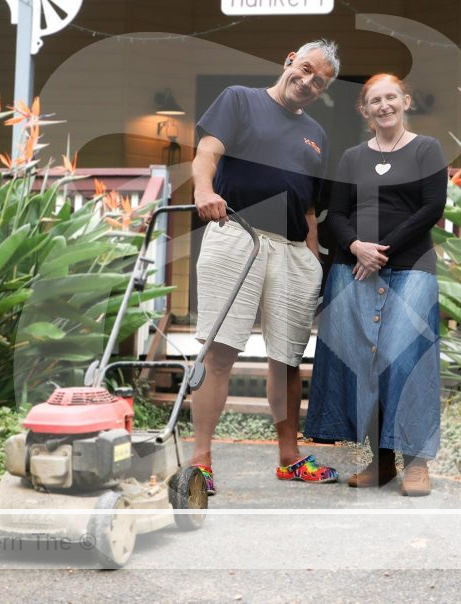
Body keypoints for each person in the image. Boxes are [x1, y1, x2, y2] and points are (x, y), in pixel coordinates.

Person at [190, 39, 342, 494]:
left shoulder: (317, 132)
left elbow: (312, 207)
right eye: (307, 69)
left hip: (294, 250)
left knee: (288, 360)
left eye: (321, 81)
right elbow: (206, 153)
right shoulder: (240, 99)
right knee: (219, 352)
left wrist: (313, 260)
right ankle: (200, 461)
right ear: (289, 59)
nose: (309, 81)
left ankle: (289, 458)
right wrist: (202, 191)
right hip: (237, 232)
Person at [304, 73, 447, 496]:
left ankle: (416, 462)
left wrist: (380, 250)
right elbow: (338, 215)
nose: (383, 105)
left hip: (411, 267)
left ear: (405, 100)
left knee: (406, 358)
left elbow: (431, 207)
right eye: (374, 101)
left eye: (390, 98)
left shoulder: (426, 149)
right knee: (363, 364)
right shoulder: (352, 157)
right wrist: (354, 246)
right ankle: (381, 459)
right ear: (364, 110)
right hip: (353, 270)